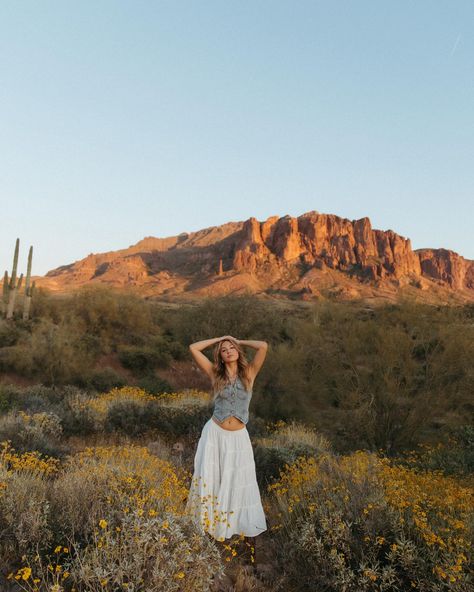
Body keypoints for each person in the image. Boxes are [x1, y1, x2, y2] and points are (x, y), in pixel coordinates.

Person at [184, 335, 268, 562]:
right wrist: (219, 338)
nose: (229, 351)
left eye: (232, 348)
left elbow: (263, 346)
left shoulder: (249, 374)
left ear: (239, 352)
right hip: (215, 435)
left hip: (238, 439)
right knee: (211, 482)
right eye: (224, 349)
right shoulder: (215, 374)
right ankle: (204, 549)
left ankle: (251, 557)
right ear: (220, 356)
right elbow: (193, 347)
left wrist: (238, 340)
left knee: (243, 486)